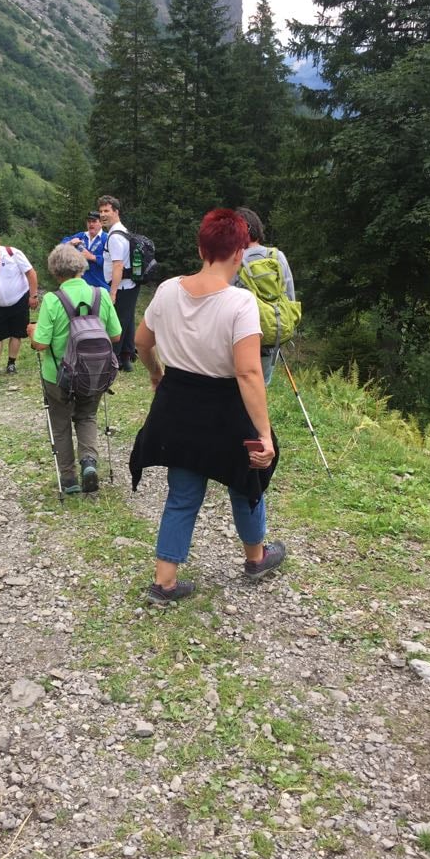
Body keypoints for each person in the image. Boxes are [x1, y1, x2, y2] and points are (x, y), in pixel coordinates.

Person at [129, 208, 285, 607]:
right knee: (245, 482)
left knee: (182, 494)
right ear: (240, 253)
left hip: (178, 404)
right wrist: (264, 434)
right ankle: (256, 559)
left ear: (201, 249)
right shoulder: (241, 303)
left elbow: (142, 342)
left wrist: (156, 374)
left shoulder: (167, 290)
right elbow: (248, 373)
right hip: (225, 409)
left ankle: (164, 582)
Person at [28, 244, 121, 494]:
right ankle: (89, 462)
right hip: (93, 374)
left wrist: (32, 332)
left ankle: (69, 480)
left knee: (60, 424)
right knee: (87, 416)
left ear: (55, 271)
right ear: (81, 267)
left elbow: (40, 344)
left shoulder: (52, 300)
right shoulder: (101, 295)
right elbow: (115, 335)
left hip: (58, 376)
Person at [235, 207, 296, 386]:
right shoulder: (277, 256)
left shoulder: (234, 259)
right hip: (271, 337)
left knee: (236, 387)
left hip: (241, 337)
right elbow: (290, 298)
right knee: (259, 386)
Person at [0, 229, 39, 379]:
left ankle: (11, 364)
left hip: (19, 299)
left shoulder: (13, 253)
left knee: (17, 333)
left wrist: (33, 295)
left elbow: (31, 273)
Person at [98, 195, 138, 372]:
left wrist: (113, 292)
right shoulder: (123, 231)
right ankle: (126, 358)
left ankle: (112, 361)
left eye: (107, 211)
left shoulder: (114, 236)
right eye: (101, 211)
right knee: (127, 321)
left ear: (116, 212)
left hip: (121, 286)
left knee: (118, 323)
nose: (103, 215)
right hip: (131, 284)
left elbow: (118, 265)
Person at [60, 211, 108, 288]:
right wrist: (70, 243)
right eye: (89, 221)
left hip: (100, 286)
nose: (91, 224)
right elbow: (62, 244)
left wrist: (93, 257)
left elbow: (111, 263)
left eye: (94, 221)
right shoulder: (81, 236)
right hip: (80, 285)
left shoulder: (106, 238)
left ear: (101, 223)